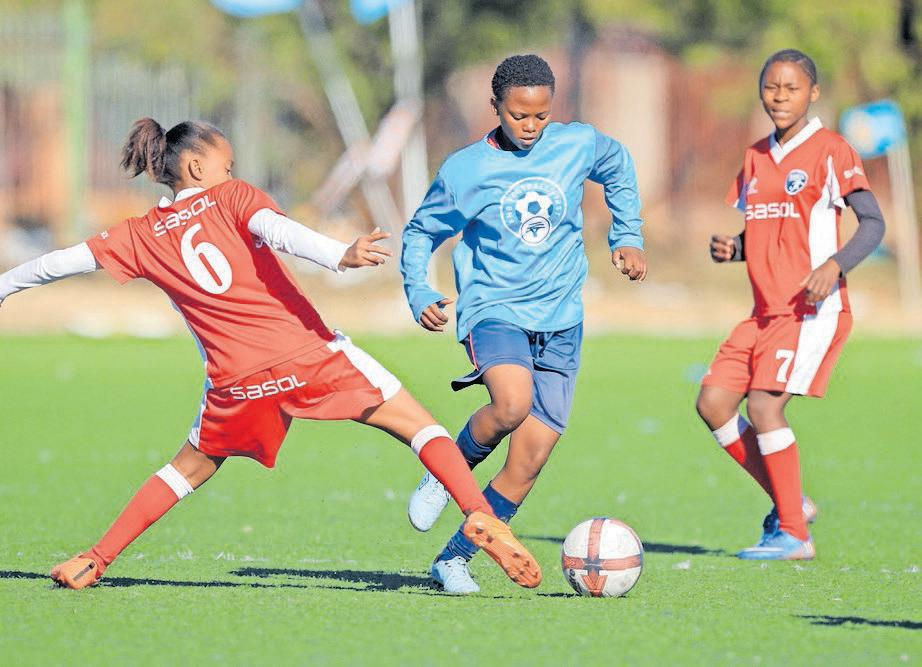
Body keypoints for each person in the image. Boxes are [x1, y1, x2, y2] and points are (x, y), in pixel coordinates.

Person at [0, 117, 542, 590]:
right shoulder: (231, 198)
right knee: (421, 428)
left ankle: (94, 560)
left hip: (236, 382)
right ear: (195, 168)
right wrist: (340, 254)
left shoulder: (139, 235)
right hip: (308, 353)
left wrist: (4, 288)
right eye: (226, 165)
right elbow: (276, 230)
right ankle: (477, 512)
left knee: (188, 468)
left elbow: (57, 262)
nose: (232, 175)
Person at [400, 54, 646, 593]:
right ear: (496, 107)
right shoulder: (466, 170)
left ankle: (455, 559)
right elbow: (420, 232)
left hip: (561, 318)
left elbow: (619, 166)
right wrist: (418, 288)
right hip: (495, 308)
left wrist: (627, 235)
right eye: (518, 116)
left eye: (540, 116)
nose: (531, 128)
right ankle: (446, 471)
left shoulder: (576, 143)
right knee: (510, 404)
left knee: (529, 460)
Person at [696, 49, 886, 560]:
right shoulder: (756, 155)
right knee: (713, 402)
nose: (780, 96)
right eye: (772, 87)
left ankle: (795, 534)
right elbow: (766, 232)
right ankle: (791, 503)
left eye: (792, 88)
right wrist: (733, 248)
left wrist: (836, 265)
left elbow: (873, 223)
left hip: (809, 310)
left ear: (813, 93)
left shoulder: (831, 150)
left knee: (763, 406)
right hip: (762, 313)